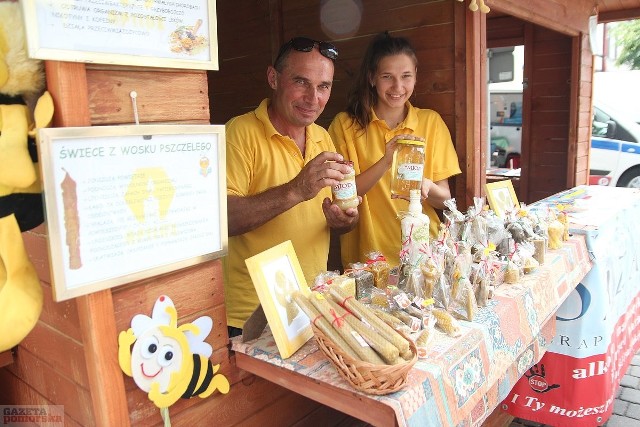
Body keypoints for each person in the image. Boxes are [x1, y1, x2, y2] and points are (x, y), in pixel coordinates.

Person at [224, 37, 360, 337]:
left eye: (324, 86)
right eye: (301, 82)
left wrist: (343, 221)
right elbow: (224, 219)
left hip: (310, 305)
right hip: (253, 313)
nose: (313, 98)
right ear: (273, 78)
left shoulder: (323, 137)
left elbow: (338, 221)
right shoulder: (240, 132)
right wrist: (296, 190)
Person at [328, 32, 461, 268]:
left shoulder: (431, 122)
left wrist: (428, 186)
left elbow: (445, 200)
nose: (397, 86)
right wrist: (386, 162)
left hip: (423, 256)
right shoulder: (345, 125)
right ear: (372, 78)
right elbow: (343, 196)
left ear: (416, 77)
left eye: (406, 76)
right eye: (387, 76)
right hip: (368, 262)